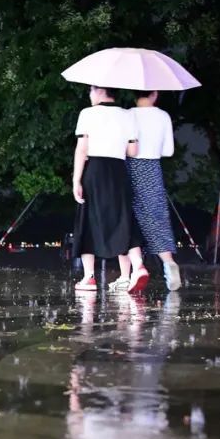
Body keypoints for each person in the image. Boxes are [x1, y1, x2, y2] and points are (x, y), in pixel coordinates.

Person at [71, 85, 149, 293]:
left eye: (91, 90)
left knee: (88, 219)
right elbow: (133, 151)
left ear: (99, 90)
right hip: (118, 171)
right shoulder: (129, 115)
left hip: (95, 169)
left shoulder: (87, 114)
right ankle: (138, 266)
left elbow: (82, 149)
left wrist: (76, 180)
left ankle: (89, 278)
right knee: (123, 218)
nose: (90, 95)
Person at [128, 90, 181, 291]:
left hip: (130, 167)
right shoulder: (163, 116)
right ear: (155, 94)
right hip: (152, 168)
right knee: (156, 218)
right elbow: (168, 151)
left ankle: (135, 268)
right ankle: (169, 262)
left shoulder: (128, 115)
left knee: (130, 219)